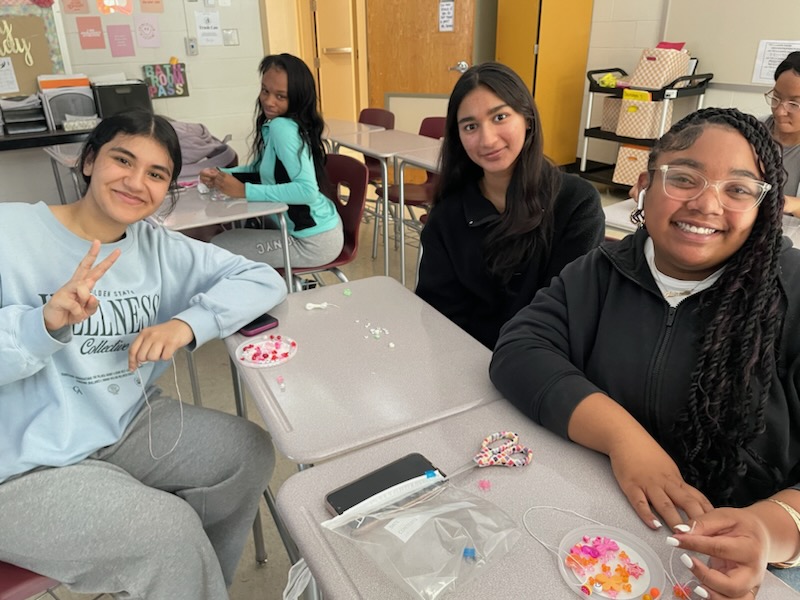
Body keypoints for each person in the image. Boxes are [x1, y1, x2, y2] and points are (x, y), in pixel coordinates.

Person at [490, 107, 800, 597]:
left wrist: (767, 528)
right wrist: (624, 439)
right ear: (644, 185)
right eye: (684, 178)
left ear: (763, 206)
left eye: (738, 189)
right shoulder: (604, 269)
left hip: (757, 562)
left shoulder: (792, 292)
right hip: (606, 523)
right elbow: (520, 349)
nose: (707, 204)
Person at [0, 109, 287, 599]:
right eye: (122, 160)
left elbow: (263, 279)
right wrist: (41, 324)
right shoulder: (11, 233)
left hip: (123, 426)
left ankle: (186, 585)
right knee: (167, 532)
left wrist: (187, 324)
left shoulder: (157, 247)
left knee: (248, 453)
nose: (136, 182)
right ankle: (174, 572)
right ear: (89, 160)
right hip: (22, 463)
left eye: (156, 174)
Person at [415, 62, 604, 349]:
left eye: (500, 117)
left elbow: (567, 313)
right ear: (458, 136)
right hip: (464, 364)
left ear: (527, 118)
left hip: (542, 366)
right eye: (470, 126)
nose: (487, 139)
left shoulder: (576, 204)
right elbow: (437, 314)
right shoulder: (448, 215)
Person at [200, 53, 343, 269]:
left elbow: (307, 191)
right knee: (226, 238)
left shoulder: (282, 127)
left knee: (217, 247)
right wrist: (221, 174)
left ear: (296, 98)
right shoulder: (277, 124)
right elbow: (262, 171)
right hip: (314, 232)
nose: (268, 101)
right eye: (265, 91)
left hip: (313, 242)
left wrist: (244, 191)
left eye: (280, 96)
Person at [764, 51, 800, 217]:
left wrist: (792, 204)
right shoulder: (750, 133)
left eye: (794, 104)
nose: (779, 111)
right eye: (776, 98)